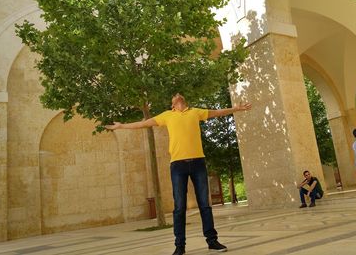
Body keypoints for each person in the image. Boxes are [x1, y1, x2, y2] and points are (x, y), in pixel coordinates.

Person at [106, 93, 251, 255]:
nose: (177, 95)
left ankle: (212, 241)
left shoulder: (196, 112)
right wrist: (121, 126)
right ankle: (180, 246)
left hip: (198, 163)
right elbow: (143, 124)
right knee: (179, 207)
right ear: (172, 104)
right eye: (174, 96)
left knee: (205, 205)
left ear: (183, 101)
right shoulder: (167, 116)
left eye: (179, 94)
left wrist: (236, 109)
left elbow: (216, 112)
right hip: (177, 166)